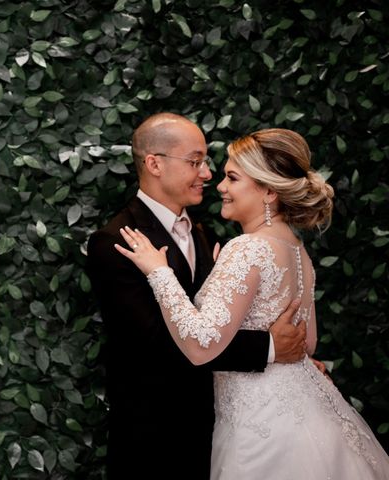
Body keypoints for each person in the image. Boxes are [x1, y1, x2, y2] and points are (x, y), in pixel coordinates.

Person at [115, 127, 389, 479]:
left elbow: (200, 346)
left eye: (232, 178)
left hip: (260, 427)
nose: (221, 187)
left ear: (269, 191)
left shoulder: (248, 248)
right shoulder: (296, 249)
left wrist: (159, 272)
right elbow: (306, 343)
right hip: (304, 410)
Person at [86, 113, 307, 479]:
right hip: (154, 436)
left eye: (206, 162)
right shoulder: (116, 242)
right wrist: (270, 349)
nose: (207, 174)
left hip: (218, 425)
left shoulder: (203, 234)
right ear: (155, 163)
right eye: (195, 161)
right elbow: (157, 343)